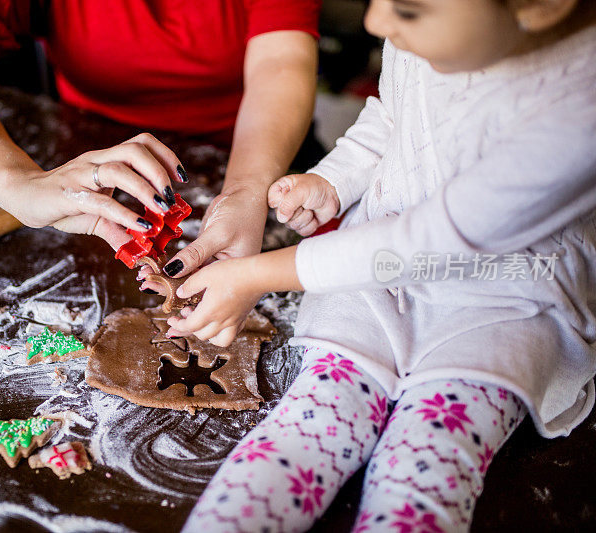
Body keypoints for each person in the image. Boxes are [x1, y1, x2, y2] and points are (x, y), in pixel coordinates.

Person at [172, 0, 596, 530]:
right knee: (311, 424)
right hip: (370, 277)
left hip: (506, 300)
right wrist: (332, 181)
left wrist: (256, 274)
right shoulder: (430, 36)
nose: (376, 23)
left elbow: (436, 239)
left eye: (407, 10)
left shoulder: (579, 108)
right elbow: (392, 117)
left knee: (428, 458)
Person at [0, 0, 320, 269]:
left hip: (258, 156)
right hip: (94, 173)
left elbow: (280, 63)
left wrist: (245, 190)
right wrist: (17, 184)